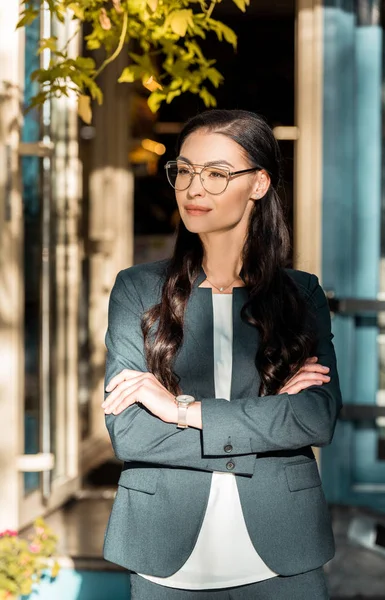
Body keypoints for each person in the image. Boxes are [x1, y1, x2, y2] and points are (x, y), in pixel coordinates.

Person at [101, 109, 342, 600]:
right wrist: (268, 419)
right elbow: (131, 435)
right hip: (164, 555)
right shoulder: (137, 289)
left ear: (258, 185)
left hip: (283, 555)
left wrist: (180, 410)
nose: (194, 188)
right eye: (184, 170)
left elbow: (315, 418)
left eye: (216, 174)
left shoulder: (301, 295)